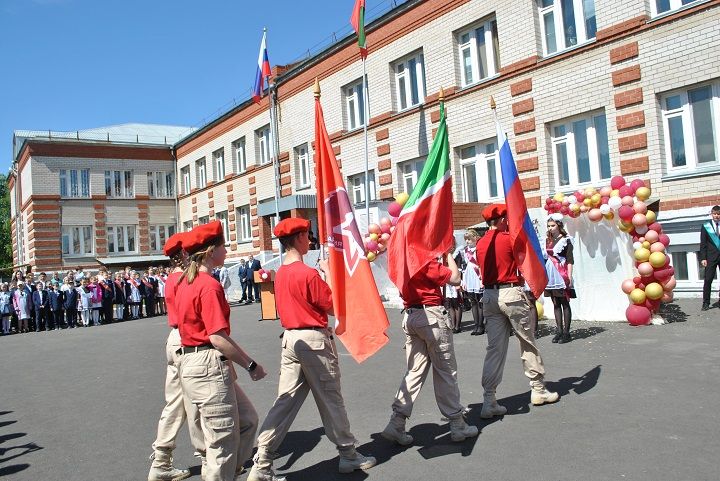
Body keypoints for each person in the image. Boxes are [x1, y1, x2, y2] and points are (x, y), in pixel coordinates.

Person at [248, 218, 376, 481]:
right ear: (297, 239)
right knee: (332, 399)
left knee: (284, 402)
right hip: (314, 340)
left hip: (291, 340)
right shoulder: (308, 273)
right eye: (307, 235)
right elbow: (332, 306)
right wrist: (328, 273)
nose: (310, 240)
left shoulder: (281, 273)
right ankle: (349, 454)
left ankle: (261, 462)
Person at [176, 221, 265, 481]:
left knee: (247, 420)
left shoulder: (184, 281)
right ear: (210, 251)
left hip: (194, 362)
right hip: (207, 364)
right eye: (223, 246)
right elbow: (217, 337)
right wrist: (250, 365)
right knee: (222, 444)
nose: (226, 251)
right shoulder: (207, 285)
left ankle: (230, 474)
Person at [381, 238, 477, 447]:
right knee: (445, 370)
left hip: (411, 315)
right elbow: (454, 278)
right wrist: (447, 254)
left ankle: (397, 422)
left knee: (414, 371)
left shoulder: (400, 260)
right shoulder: (421, 257)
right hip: (430, 314)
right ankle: (457, 423)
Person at [475, 204, 559, 418]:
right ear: (502, 219)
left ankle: (489, 399)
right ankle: (538, 389)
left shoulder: (480, 243)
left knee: (495, 349)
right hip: (510, 293)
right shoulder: (508, 238)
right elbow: (525, 258)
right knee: (527, 341)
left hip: (489, 296)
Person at [148, 233, 204, 481]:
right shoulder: (184, 278)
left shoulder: (171, 278)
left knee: (175, 403)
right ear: (183, 254)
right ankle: (206, 456)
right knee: (195, 402)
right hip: (186, 339)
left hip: (174, 339)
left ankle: (161, 460)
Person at [544, 214, 575, 343]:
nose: (550, 228)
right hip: (551, 274)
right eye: (549, 226)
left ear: (559, 225)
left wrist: (569, 276)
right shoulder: (547, 241)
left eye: (553, 225)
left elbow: (569, 260)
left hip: (561, 273)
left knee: (564, 302)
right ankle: (559, 331)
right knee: (555, 303)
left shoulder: (566, 240)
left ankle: (567, 333)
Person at [462, 230, 485, 335]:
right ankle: (476, 325)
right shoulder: (465, 251)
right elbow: (464, 266)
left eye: (469, 239)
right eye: (466, 239)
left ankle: (481, 325)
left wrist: (482, 279)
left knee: (480, 301)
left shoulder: (479, 249)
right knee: (473, 302)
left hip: (477, 276)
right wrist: (464, 280)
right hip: (469, 276)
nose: (467, 241)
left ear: (475, 238)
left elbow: (481, 264)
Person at [699, 205, 720, 311]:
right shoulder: (706, 226)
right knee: (708, 280)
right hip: (710, 257)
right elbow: (703, 244)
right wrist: (703, 258)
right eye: (715, 214)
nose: (716, 216)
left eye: (718, 214)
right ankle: (706, 303)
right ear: (711, 214)